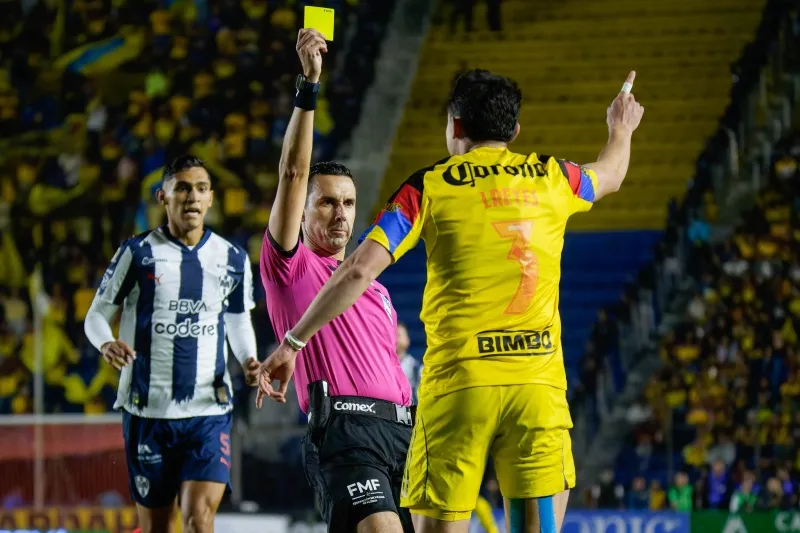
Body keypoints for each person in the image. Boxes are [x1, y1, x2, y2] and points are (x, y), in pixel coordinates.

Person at [257, 68, 644, 533]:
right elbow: (612, 173)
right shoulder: (553, 176)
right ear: (514, 131)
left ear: (455, 126)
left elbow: (358, 270)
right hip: (537, 392)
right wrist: (620, 127)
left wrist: (292, 342)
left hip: (458, 392)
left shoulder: (429, 186)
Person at [257, 29, 413, 533]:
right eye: (326, 201)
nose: (341, 213)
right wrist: (309, 87)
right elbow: (292, 172)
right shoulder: (290, 267)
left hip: (407, 435)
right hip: (346, 433)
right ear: (302, 213)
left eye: (348, 202)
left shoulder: (376, 286)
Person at [84, 155, 260, 533]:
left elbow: (237, 317)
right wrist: (105, 343)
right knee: (158, 528)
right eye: (182, 187)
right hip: (148, 411)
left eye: (200, 188)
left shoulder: (232, 258)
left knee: (199, 519)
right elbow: (96, 315)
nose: (191, 196)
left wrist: (248, 359)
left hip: (207, 411)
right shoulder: (138, 253)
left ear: (211, 198)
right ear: (163, 196)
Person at [397, 322, 422, 403]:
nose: (394, 339)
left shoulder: (418, 369)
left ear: (407, 340)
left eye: (398, 335)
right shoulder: (381, 368)